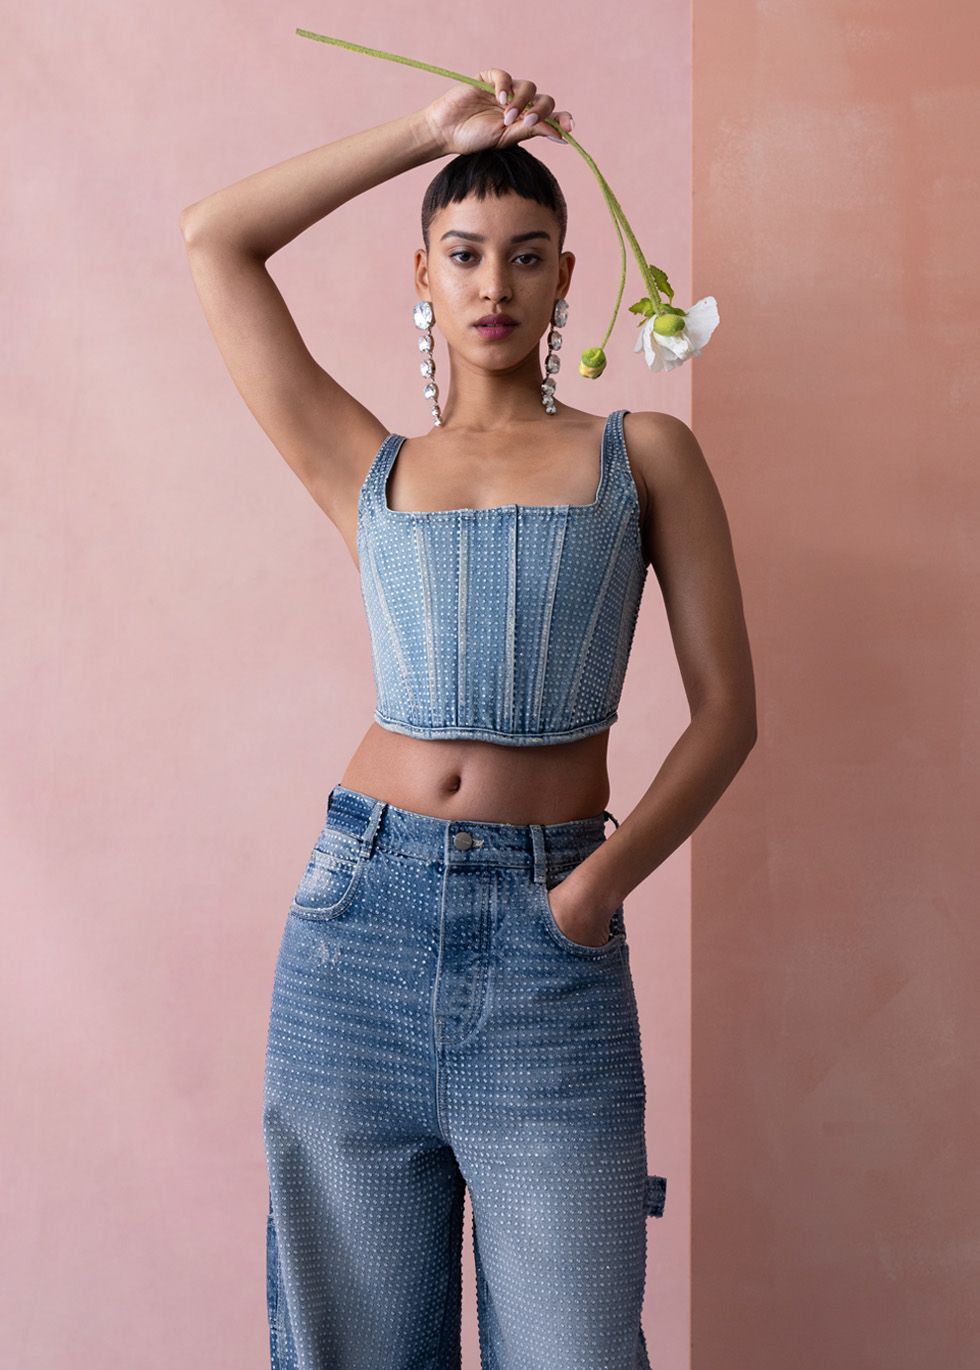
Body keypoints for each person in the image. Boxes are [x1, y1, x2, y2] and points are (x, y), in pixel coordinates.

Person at [180, 64, 756, 1370]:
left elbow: (728, 711)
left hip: (550, 943)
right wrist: (426, 135)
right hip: (357, 932)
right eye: (465, 254)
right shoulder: (365, 463)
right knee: (353, 1346)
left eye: (529, 255)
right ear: (425, 277)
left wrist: (596, 886)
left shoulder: (641, 455)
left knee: (575, 1345)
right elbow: (217, 239)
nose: (495, 282)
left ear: (567, 280)